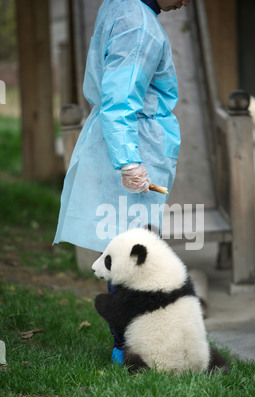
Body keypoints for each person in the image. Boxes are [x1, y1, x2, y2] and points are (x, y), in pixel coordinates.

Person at [54, 0, 190, 364]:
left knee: (126, 245)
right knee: (133, 254)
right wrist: (129, 161)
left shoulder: (121, 4)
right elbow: (120, 99)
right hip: (133, 142)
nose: (187, 2)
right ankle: (129, 348)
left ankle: (131, 343)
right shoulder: (139, 24)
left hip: (122, 139)